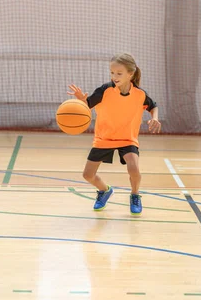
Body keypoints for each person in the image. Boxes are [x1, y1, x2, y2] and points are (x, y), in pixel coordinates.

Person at [68, 53, 161, 215]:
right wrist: (81, 100)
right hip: (104, 138)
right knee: (88, 175)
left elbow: (153, 105)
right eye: (112, 73)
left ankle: (135, 195)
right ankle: (104, 190)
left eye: (119, 73)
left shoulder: (139, 94)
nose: (114, 76)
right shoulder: (105, 90)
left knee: (134, 169)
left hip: (127, 138)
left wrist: (155, 118)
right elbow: (86, 107)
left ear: (130, 74)